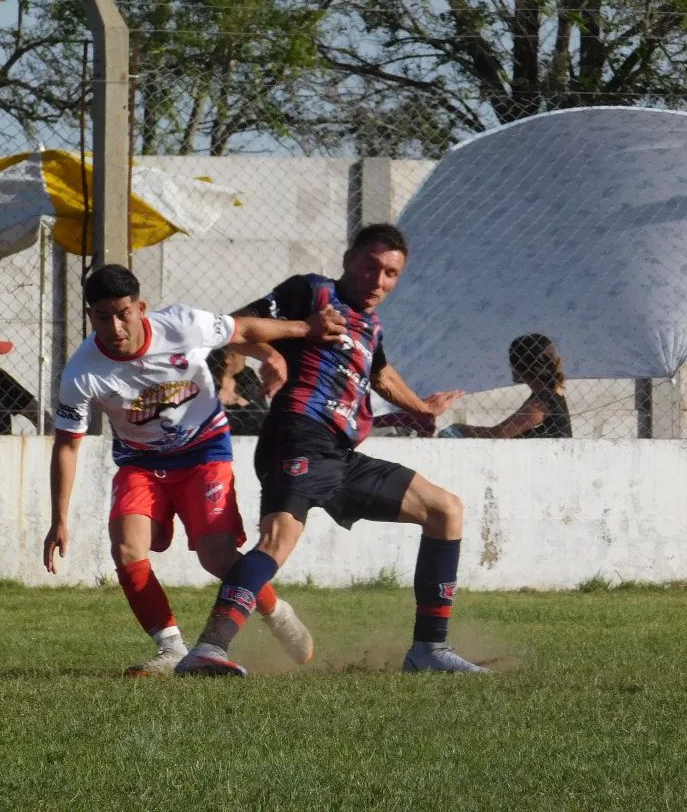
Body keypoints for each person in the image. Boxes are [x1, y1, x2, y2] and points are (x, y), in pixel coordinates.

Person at [176, 223, 485, 676]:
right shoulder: (312, 293)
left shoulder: (371, 328)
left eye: (390, 274)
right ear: (348, 261)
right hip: (298, 433)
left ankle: (428, 651)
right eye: (370, 267)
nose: (378, 281)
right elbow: (236, 327)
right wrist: (277, 352)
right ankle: (208, 650)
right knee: (277, 541)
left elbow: (381, 376)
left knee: (446, 511)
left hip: (339, 454)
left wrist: (421, 408)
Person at [42, 264, 348, 676]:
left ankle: (276, 611)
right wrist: (59, 518)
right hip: (141, 462)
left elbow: (240, 330)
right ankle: (170, 649)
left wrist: (303, 330)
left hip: (204, 451)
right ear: (89, 315)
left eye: (123, 313)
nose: (114, 326)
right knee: (127, 549)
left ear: (141, 308)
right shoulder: (82, 372)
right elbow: (67, 445)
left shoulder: (182, 325)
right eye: (101, 316)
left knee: (216, 558)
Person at [444, 334, 572, 439]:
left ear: (520, 368)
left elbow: (498, 434)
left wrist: (462, 429)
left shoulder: (541, 403)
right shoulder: (549, 393)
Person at [208, 348, 269, 436]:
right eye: (242, 353)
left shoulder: (247, 376)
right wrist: (243, 405)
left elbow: (263, 417)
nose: (245, 357)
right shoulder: (207, 384)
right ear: (228, 358)